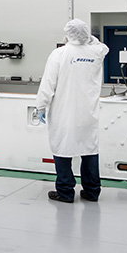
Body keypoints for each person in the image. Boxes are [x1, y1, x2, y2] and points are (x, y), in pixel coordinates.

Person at [35, 18, 109, 203]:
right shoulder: (96, 52)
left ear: (68, 34)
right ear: (86, 34)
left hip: (64, 112)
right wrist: (86, 38)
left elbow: (48, 83)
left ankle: (65, 191)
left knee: (62, 148)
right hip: (88, 113)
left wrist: (41, 106)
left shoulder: (59, 53)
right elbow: (102, 46)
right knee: (89, 150)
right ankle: (92, 191)